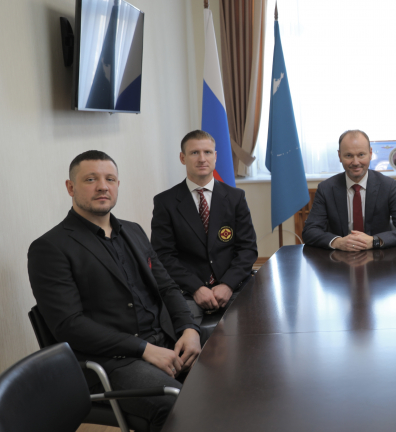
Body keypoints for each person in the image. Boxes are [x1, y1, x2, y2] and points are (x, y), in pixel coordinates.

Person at [27, 151, 201, 432]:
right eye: (90, 179)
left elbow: (167, 287)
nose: (102, 186)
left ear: (118, 184)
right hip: (112, 362)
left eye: (110, 179)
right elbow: (69, 325)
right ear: (70, 187)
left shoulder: (133, 231)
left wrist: (189, 329)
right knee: (180, 406)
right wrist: (144, 350)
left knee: (229, 375)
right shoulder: (50, 247)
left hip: (166, 340)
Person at [151, 130, 257, 325]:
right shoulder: (165, 202)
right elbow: (163, 256)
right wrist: (196, 288)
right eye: (194, 153)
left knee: (252, 328)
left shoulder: (236, 198)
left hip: (233, 286)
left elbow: (247, 249)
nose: (202, 159)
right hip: (187, 290)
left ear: (215, 157)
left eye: (207, 152)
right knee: (187, 331)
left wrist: (227, 284)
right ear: (182, 158)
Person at [302, 129, 396, 250]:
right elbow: (309, 231)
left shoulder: (388, 186)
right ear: (339, 156)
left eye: (361, 155)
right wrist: (338, 242)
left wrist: (374, 241)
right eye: (349, 155)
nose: (356, 162)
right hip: (340, 256)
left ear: (370, 153)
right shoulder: (326, 188)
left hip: (379, 256)